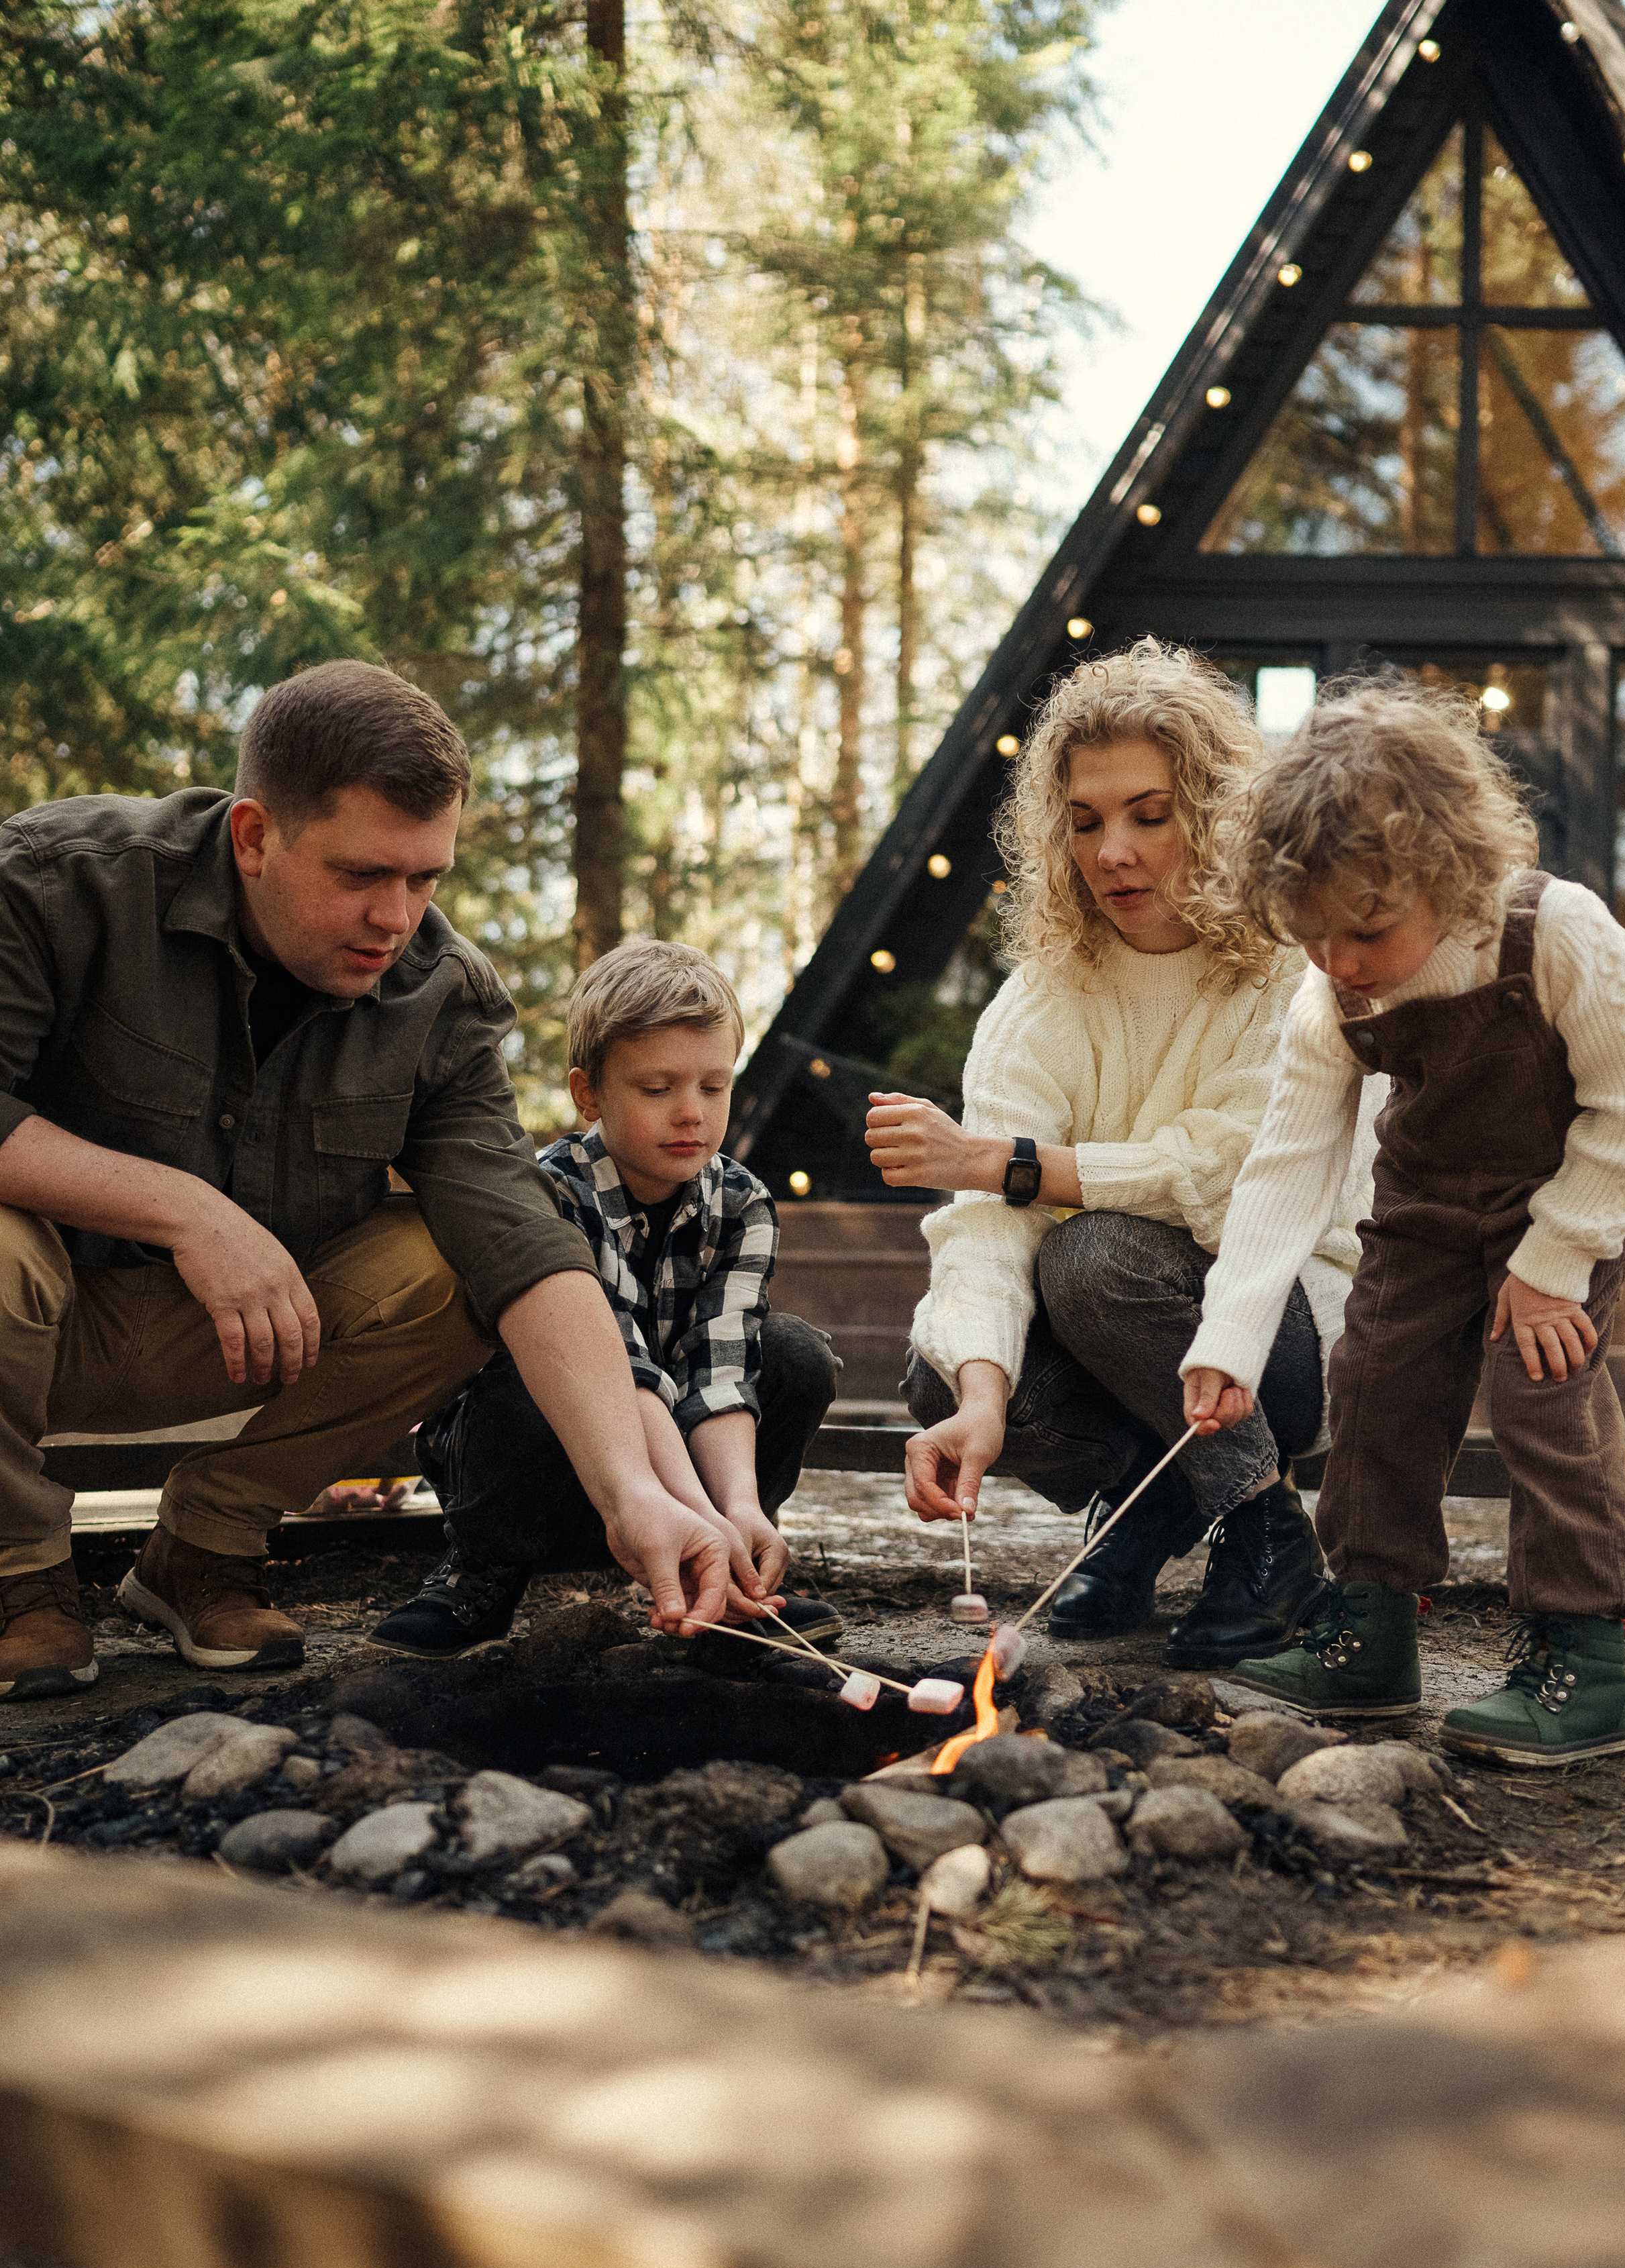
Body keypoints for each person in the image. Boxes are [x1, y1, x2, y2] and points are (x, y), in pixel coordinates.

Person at [0, 660, 735, 1697]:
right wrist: (186, 1211)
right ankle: (18, 1577)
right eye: (361, 875)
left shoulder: (441, 999)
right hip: (29, 1313)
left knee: (456, 1266)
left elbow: (522, 1247)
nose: (397, 917)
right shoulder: (56, 881)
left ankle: (202, 1552)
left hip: (226, 1340)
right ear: (254, 836)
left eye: (426, 877)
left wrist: (630, 1495)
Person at [1181, 682, 1625, 1766]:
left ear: (1448, 868)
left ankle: (1582, 1656)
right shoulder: (1336, 997)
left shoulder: (1554, 932)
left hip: (1575, 1185)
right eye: (1312, 937)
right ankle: (1368, 1626)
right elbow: (1286, 1163)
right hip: (1427, 1194)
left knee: (1541, 1384)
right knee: (1377, 1379)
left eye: (1365, 931)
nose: (1341, 964)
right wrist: (1227, 1339)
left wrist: (1554, 1260)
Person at [864, 640, 1377, 1665]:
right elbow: (980, 1224)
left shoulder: (1290, 971)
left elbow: (1227, 1183)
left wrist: (1017, 1163)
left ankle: (1266, 1531)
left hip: (1283, 1331)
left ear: (1218, 813)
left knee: (1091, 1257)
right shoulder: (1040, 1000)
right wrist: (978, 1397)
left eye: (1151, 815)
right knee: (948, 1366)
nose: (1113, 854)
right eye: (1086, 821)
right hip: (1140, 1350)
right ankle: (1150, 1511)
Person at [372, 942, 839, 1657]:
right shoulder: (550, 1192)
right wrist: (686, 1508)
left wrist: (735, 1505)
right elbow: (619, 1367)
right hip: (540, 1473)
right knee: (529, 1382)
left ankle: (730, 1567)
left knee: (793, 1354)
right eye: (657, 1089)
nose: (691, 1114)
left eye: (713, 1087)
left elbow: (721, 1368)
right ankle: (483, 1571)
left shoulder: (742, 1204)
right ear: (589, 1094)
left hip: (674, 1471)